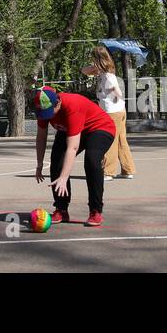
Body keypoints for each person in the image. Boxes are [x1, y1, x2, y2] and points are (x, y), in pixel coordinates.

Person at [32, 85, 116, 227]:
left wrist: (64, 177)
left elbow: (72, 147)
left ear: (58, 103)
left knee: (92, 160)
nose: (47, 116)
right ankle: (61, 208)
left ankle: (95, 210)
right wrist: (39, 164)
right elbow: (41, 137)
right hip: (71, 129)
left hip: (99, 128)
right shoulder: (43, 108)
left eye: (49, 112)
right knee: (57, 161)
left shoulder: (72, 106)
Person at [86, 46, 136, 179]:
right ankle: (128, 170)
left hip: (112, 112)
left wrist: (117, 95)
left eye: (93, 58)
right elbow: (84, 71)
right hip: (118, 110)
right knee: (120, 140)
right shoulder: (104, 73)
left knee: (110, 140)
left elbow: (117, 91)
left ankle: (108, 172)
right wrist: (94, 68)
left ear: (98, 59)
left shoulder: (108, 76)